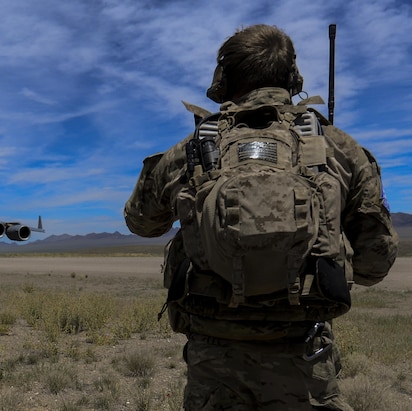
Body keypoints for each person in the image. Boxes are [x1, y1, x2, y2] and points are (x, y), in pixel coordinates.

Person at [124, 24, 398, 410]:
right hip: (305, 363)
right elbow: (375, 264)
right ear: (292, 78)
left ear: (224, 79)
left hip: (213, 366)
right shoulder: (340, 148)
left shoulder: (189, 151)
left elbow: (140, 222)